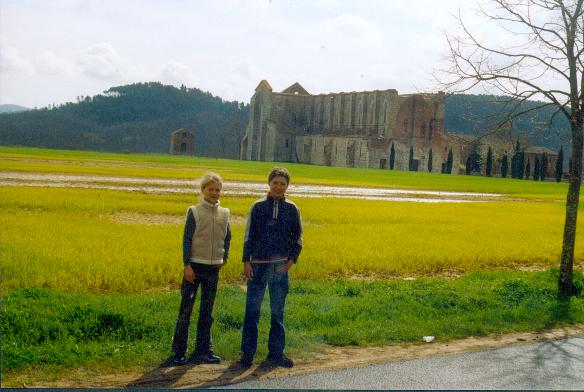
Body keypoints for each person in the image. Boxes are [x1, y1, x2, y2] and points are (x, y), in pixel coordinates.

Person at [239, 167, 303, 368]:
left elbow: (298, 237)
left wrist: (291, 261)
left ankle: (276, 354)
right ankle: (247, 354)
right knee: (252, 310)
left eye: (282, 183)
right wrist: (246, 261)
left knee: (277, 311)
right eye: (275, 182)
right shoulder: (257, 206)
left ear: (287, 186)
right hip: (257, 265)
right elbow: (248, 235)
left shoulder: (292, 208)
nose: (278, 186)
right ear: (269, 183)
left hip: (280, 267)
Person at [171, 172, 231, 366]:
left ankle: (204, 351)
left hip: (213, 268)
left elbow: (227, 237)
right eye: (210, 189)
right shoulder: (194, 211)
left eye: (217, 189)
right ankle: (179, 352)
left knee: (207, 312)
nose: (214, 193)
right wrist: (186, 265)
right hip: (194, 267)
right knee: (186, 311)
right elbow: (187, 239)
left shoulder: (225, 213)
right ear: (203, 190)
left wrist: (225, 257)